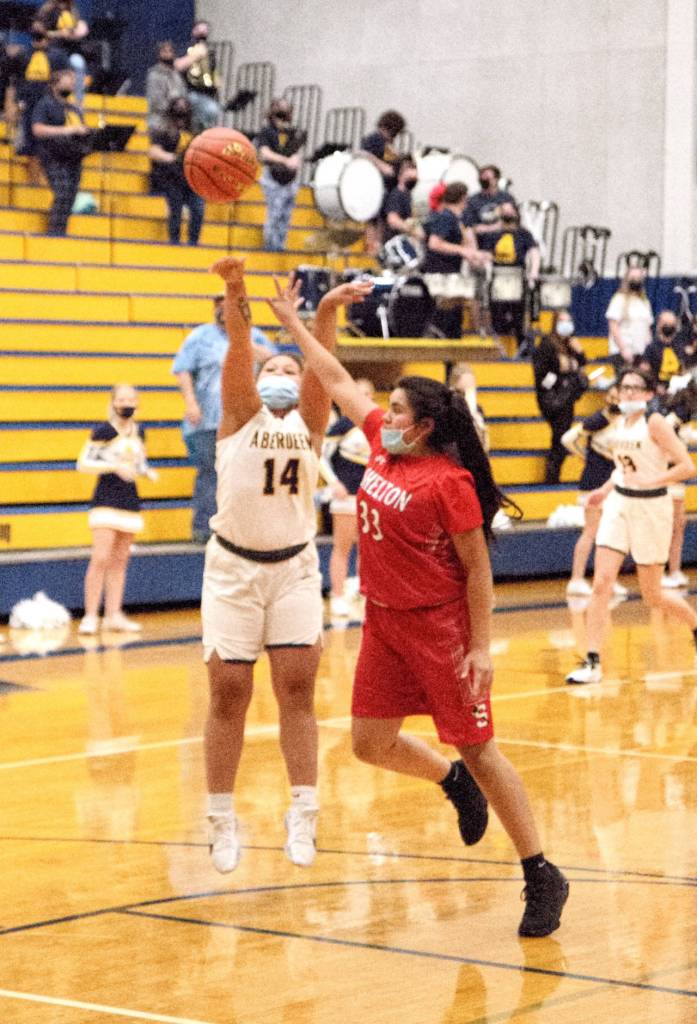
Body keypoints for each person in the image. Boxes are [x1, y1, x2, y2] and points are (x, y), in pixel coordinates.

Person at [267, 277, 569, 939]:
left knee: (482, 750)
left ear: (424, 426)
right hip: (384, 623)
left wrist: (480, 647)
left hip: (440, 628)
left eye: (398, 408)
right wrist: (302, 318)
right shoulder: (382, 441)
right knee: (369, 744)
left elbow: (478, 570)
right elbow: (333, 376)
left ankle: (541, 871)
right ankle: (450, 781)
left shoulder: (449, 483)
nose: (385, 412)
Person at [202, 257, 373, 874]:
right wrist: (236, 287)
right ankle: (220, 818)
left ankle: (304, 811)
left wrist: (323, 313)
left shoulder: (309, 423)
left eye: (289, 369)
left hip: (294, 567)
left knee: (297, 690)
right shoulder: (239, 417)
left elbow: (323, 366)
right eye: (272, 368)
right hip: (233, 570)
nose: (280, 373)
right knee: (229, 691)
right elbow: (238, 349)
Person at [565, 367, 697, 685]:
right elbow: (622, 469)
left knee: (652, 594)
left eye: (635, 388)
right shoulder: (619, 422)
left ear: (649, 394)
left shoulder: (656, 422)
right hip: (619, 504)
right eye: (624, 387)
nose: (627, 393)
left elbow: (686, 466)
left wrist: (652, 480)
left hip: (651, 507)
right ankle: (592, 661)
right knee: (601, 583)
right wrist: (604, 490)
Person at [172, 294, 278, 544]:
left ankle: (243, 528)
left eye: (229, 306)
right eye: (220, 306)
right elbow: (182, 369)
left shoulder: (256, 336)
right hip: (209, 419)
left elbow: (275, 362)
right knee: (211, 473)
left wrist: (244, 340)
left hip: (247, 421)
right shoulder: (200, 336)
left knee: (247, 474)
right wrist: (190, 402)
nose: (224, 310)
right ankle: (204, 529)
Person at [76, 384, 156, 635]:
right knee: (100, 558)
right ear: (113, 403)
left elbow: (138, 462)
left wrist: (145, 472)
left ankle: (114, 614)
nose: (126, 403)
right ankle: (90, 616)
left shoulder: (139, 431)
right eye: (121, 399)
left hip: (129, 499)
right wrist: (113, 467)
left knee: (120, 560)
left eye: (130, 399)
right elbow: (83, 463)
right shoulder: (103, 431)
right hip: (106, 498)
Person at [562, 384, 626, 596]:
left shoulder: (625, 421)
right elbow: (567, 439)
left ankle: (607, 579)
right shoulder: (599, 419)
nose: (616, 401)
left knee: (612, 535)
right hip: (594, 482)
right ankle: (576, 579)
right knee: (591, 531)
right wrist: (585, 456)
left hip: (614, 483)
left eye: (619, 397)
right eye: (613, 396)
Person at [319, 378, 374, 617]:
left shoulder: (377, 425)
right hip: (346, 495)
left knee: (367, 548)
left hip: (370, 495)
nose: (364, 399)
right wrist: (334, 483)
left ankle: (363, 591)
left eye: (368, 394)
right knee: (342, 547)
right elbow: (320, 456)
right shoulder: (342, 425)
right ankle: (338, 595)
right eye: (359, 394)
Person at [422, 182, 491, 339]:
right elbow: (434, 243)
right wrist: (462, 251)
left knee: (455, 315)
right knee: (446, 315)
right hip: (441, 273)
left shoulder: (456, 219)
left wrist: (477, 254)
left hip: (452, 271)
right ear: (463, 198)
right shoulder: (445, 217)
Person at [31, 67, 89, 237]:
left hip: (73, 158)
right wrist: (68, 130)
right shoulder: (45, 104)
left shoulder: (74, 109)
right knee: (62, 193)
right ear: (54, 85)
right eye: (67, 81)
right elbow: (38, 129)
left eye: (72, 82)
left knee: (70, 197)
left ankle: (61, 231)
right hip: (53, 157)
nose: (71, 85)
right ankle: (54, 233)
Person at [532, 309, 588, 484]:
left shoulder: (571, 344)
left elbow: (582, 364)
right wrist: (559, 376)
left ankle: (554, 475)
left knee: (562, 437)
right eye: (562, 321)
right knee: (560, 437)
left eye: (568, 321)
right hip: (552, 397)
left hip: (568, 397)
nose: (566, 325)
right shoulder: (547, 345)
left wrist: (579, 352)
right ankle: (552, 476)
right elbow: (541, 376)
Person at [478, 200, 540, 355]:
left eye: (509, 210)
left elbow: (534, 253)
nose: (507, 213)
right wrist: (486, 267)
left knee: (518, 315)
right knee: (497, 313)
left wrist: (533, 273)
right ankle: (497, 347)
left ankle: (522, 346)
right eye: (504, 210)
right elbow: (486, 254)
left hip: (517, 277)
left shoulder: (524, 234)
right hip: (498, 277)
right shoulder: (493, 234)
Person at [11, 25, 69, 177]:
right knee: (29, 140)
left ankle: (44, 174)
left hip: (48, 102)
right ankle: (32, 177)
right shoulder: (24, 55)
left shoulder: (57, 56)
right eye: (36, 38)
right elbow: (18, 80)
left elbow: (65, 77)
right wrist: (18, 101)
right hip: (29, 101)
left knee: (46, 142)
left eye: (41, 38)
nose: (39, 42)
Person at [148, 96, 204, 246]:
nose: (181, 112)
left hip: (191, 180)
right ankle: (175, 243)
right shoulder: (163, 131)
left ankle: (193, 243)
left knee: (198, 210)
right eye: (178, 107)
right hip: (170, 179)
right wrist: (174, 158)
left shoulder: (194, 133)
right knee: (175, 211)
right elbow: (154, 152)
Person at [256, 98, 305, 252]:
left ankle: (280, 247)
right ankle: (270, 248)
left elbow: (295, 152)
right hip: (273, 177)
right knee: (274, 214)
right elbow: (264, 153)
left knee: (285, 216)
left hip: (290, 179)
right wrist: (285, 160)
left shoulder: (292, 132)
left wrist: (296, 159)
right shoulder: (267, 131)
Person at [360, 109, 407, 253]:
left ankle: (378, 247)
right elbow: (364, 154)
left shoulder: (387, 143)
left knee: (382, 218)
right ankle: (372, 247)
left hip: (386, 187)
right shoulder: (374, 139)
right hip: (375, 185)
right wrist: (383, 166)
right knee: (373, 219)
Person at [34, 0, 89, 108]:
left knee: (79, 63)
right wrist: (58, 34)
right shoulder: (48, 9)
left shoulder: (72, 10)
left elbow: (78, 29)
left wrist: (74, 32)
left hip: (70, 51)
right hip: (51, 49)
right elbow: (39, 30)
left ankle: (78, 104)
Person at [175, 19, 222, 133]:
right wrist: (195, 56)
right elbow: (177, 66)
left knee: (215, 111)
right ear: (193, 31)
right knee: (211, 110)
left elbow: (213, 73)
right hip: (190, 91)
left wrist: (217, 83)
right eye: (199, 30)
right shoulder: (187, 48)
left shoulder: (209, 53)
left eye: (205, 30)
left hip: (208, 93)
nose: (203, 33)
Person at [605, 267, 653, 367]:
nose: (636, 280)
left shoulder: (644, 302)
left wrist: (649, 351)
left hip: (640, 353)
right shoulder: (618, 299)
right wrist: (623, 349)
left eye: (638, 278)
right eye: (633, 277)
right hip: (622, 352)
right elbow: (613, 326)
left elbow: (647, 328)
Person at [146, 40, 188, 135]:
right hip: (158, 125)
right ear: (159, 54)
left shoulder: (176, 74)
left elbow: (183, 92)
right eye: (164, 51)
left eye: (170, 51)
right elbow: (156, 100)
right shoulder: (154, 74)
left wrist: (182, 104)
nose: (168, 54)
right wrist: (173, 106)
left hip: (174, 127)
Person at [464, 164, 516, 239]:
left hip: (505, 239)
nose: (484, 180)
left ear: (496, 179)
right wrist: (497, 226)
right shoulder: (473, 200)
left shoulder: (506, 198)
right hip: (483, 240)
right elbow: (470, 227)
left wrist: (508, 217)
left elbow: (513, 224)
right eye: (482, 178)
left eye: (487, 178)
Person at [639, 309, 682, 392]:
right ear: (659, 324)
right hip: (657, 389)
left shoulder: (679, 346)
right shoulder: (651, 348)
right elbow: (644, 371)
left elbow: (684, 369)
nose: (668, 326)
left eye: (672, 324)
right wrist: (655, 386)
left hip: (679, 389)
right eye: (665, 324)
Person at [448, 363, 489, 452]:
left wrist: (476, 420)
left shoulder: (478, 410)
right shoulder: (446, 409)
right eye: (462, 392)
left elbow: (483, 446)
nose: (467, 395)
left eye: (471, 390)